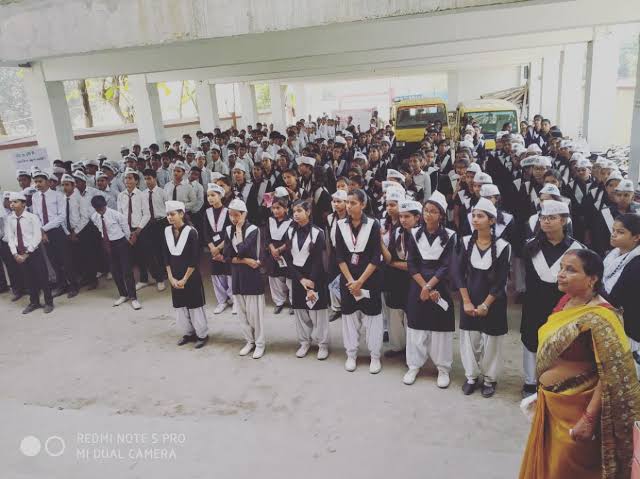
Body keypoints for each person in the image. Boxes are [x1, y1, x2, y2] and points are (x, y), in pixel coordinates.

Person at [519, 249, 640, 479]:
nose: (561, 274)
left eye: (571, 270)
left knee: (565, 469)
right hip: (551, 403)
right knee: (547, 466)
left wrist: (588, 419)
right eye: (561, 268)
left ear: (592, 279)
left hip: (577, 410)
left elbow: (610, 374)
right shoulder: (566, 301)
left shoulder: (603, 317)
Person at [520, 200, 584, 398]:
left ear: (563, 220)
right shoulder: (530, 247)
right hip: (533, 303)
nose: (546, 221)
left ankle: (553, 381)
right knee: (531, 340)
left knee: (558, 343)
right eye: (543, 218)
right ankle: (530, 381)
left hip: (561, 305)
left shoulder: (577, 250)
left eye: (551, 218)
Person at [454, 198, 511, 398]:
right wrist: (466, 301)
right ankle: (471, 377)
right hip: (469, 298)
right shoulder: (465, 242)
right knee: (469, 339)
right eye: (474, 216)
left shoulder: (503, 246)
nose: (475, 219)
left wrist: (486, 305)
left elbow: (501, 281)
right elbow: (458, 274)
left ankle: (489, 379)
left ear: (492, 220)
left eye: (480, 216)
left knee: (492, 341)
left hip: (494, 301)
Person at [403, 192, 456, 387]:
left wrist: (429, 286)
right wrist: (423, 286)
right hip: (417, 286)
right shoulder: (414, 234)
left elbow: (446, 265)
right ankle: (414, 365)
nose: (428, 215)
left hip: (439, 286)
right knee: (416, 325)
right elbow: (411, 264)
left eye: (433, 211)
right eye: (426, 210)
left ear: (441, 214)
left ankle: (443, 368)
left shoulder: (450, 236)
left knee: (440, 327)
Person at [335, 189, 384, 374]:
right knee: (349, 317)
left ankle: (375, 356)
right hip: (348, 281)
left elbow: (375, 257)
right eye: (347, 202)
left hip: (369, 280)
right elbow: (339, 257)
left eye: (353, 203)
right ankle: (351, 354)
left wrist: (360, 282)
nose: (348, 206)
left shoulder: (373, 224)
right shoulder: (340, 225)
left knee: (373, 318)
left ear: (363, 204)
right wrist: (351, 281)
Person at [283, 199, 330, 360]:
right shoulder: (290, 231)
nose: (295, 214)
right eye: (294, 211)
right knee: (300, 311)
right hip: (298, 277)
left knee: (318, 313)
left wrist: (311, 282)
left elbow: (319, 260)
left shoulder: (318, 232)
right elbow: (288, 258)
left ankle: (322, 344)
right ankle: (304, 342)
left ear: (308, 212)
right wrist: (301, 279)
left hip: (315, 277)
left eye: (299, 211)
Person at [224, 199, 267, 359]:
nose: (233, 218)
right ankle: (249, 341)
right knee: (242, 314)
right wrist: (246, 261)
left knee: (255, 315)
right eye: (230, 215)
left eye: (236, 215)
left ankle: (260, 343)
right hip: (237, 276)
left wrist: (239, 230)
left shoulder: (253, 230)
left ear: (244, 214)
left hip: (252, 277)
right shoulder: (228, 230)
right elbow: (227, 257)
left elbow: (241, 251)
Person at [163, 200, 208, 349]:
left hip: (190, 276)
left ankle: (201, 335)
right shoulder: (167, 231)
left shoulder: (191, 232)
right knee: (180, 306)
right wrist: (171, 277)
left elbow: (194, 259)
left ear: (181, 214)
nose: (169, 217)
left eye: (172, 214)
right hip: (175, 276)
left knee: (195, 306)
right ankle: (188, 333)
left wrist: (184, 279)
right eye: (168, 214)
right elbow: (166, 257)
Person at [603, 213, 640, 379]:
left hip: (630, 328)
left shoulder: (637, 264)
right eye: (613, 230)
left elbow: (616, 297)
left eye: (621, 232)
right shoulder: (613, 255)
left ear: (636, 237)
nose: (614, 234)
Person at [5, 191, 54, 314]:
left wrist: (27, 253)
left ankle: (49, 302)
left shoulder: (32, 217)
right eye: (11, 202)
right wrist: (15, 253)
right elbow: (10, 237)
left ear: (23, 204)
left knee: (42, 277)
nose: (12, 204)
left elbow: (37, 236)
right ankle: (34, 302)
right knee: (28, 278)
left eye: (15, 202)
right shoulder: (10, 219)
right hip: (19, 253)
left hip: (33, 252)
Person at [90, 195, 141, 310]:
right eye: (98, 210)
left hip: (121, 243)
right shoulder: (94, 217)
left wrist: (128, 242)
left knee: (127, 271)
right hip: (107, 244)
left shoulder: (116, 215)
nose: (100, 211)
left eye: (102, 208)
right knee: (115, 271)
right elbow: (100, 229)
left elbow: (126, 229)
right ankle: (123, 294)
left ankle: (133, 297)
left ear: (105, 205)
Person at [202, 183, 233, 315]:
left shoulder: (228, 211)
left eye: (213, 195)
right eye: (208, 195)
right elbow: (205, 232)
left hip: (226, 247)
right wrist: (212, 248)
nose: (210, 198)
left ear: (220, 196)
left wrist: (219, 247)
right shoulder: (207, 212)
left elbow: (230, 232)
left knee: (229, 273)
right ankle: (222, 301)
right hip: (213, 248)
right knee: (216, 274)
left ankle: (234, 300)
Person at [264, 197, 293, 314]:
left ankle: (293, 302)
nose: (275, 211)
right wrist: (273, 249)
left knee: (290, 279)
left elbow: (291, 240)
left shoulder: (291, 222)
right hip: (273, 253)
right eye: (273, 208)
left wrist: (280, 250)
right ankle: (279, 301)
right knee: (274, 278)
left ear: (285, 209)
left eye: (278, 208)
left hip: (287, 253)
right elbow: (267, 237)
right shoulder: (270, 220)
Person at [326, 189, 348, 322]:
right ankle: (336, 308)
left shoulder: (350, 217)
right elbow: (330, 237)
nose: (336, 204)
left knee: (346, 278)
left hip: (347, 253)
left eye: (339, 202)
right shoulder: (330, 218)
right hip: (335, 252)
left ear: (346, 203)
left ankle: (347, 305)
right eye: (334, 201)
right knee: (332, 278)